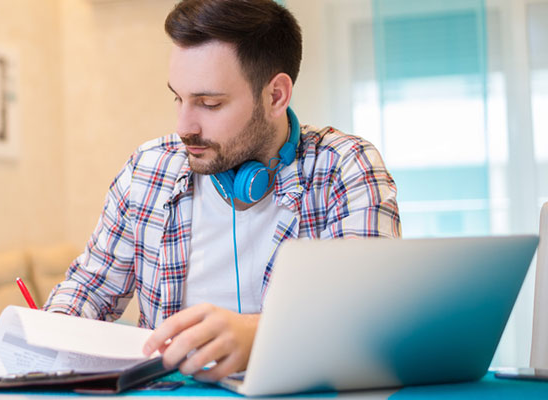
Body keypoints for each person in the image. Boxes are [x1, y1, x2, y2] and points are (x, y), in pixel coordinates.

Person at [44, 0, 401, 382]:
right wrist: (47, 332)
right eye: (178, 98)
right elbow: (89, 290)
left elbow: (373, 314)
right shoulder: (148, 169)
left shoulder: (344, 167)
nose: (184, 126)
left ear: (276, 96)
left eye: (209, 103)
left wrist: (259, 334)